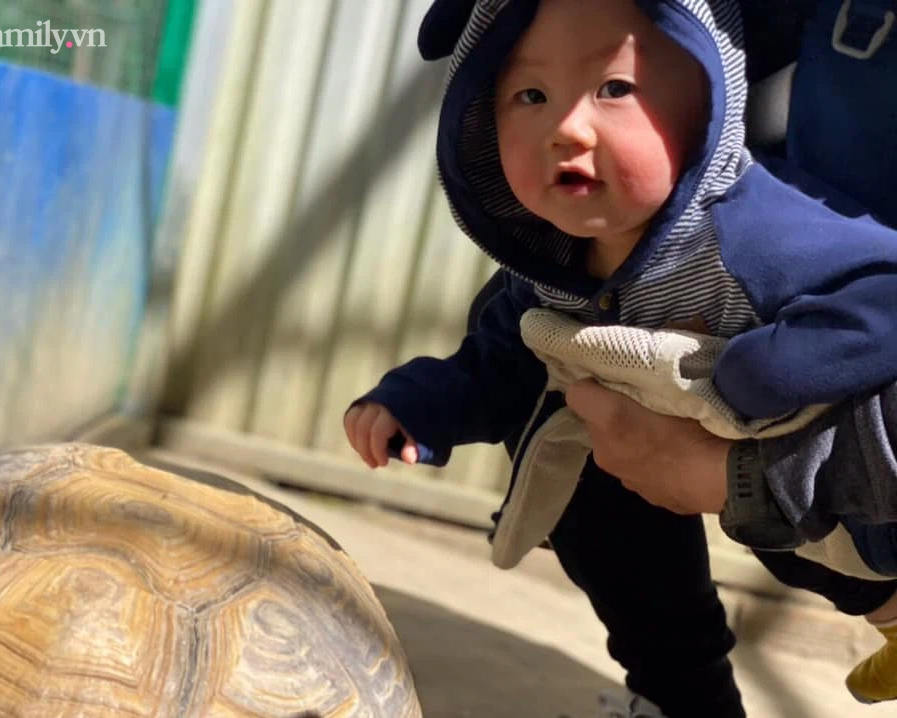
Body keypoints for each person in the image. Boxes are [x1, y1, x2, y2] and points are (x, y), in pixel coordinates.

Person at [343, 0, 897, 715]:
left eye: (614, 90)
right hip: (731, 485)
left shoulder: (763, 234)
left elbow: (886, 292)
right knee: (571, 433)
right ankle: (683, 698)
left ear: (710, 103)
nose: (565, 129)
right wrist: (418, 404)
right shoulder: (556, 262)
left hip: (858, 508)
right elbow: (503, 351)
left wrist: (749, 380)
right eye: (530, 97)